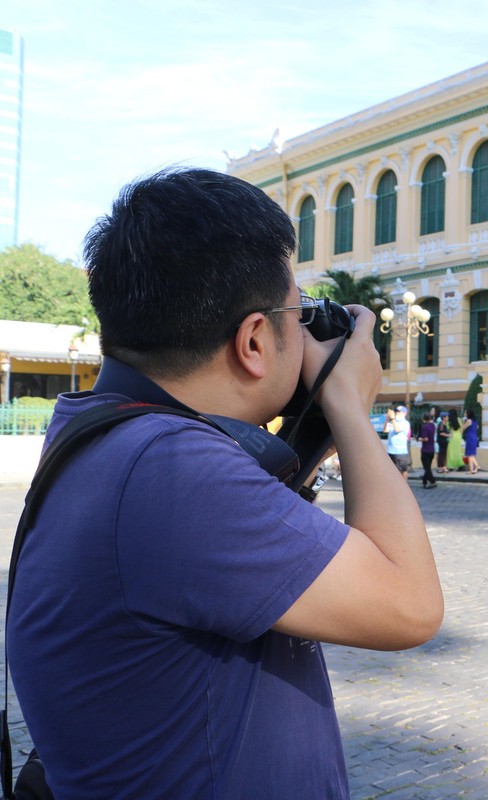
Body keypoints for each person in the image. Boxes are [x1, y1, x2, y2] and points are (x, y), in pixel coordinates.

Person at [5, 168, 444, 797]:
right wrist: (347, 402)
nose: (306, 330)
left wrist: (309, 419)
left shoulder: (109, 440)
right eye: (298, 311)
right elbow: (409, 607)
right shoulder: (172, 472)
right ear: (254, 340)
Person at [384, 405, 412, 476]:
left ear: (404, 413)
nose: (397, 413)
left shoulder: (405, 423)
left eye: (399, 412)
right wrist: (387, 419)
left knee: (402, 471)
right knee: (392, 472)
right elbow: (385, 430)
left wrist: (393, 419)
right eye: (396, 411)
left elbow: (397, 430)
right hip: (391, 451)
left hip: (400, 452)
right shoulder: (393, 422)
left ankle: (404, 486)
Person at [419, 411, 439, 488]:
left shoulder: (424, 427)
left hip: (425, 450)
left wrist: (419, 439)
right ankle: (424, 481)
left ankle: (432, 481)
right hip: (432, 449)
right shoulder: (433, 426)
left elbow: (425, 439)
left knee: (427, 468)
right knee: (428, 467)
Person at [462, 409, 480, 474]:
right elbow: (477, 427)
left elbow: (463, 428)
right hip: (474, 437)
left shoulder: (468, 421)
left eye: (465, 413)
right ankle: (472, 469)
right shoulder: (475, 421)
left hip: (470, 437)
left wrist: (464, 422)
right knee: (472, 454)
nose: (464, 414)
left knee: (469, 454)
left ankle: (475, 467)